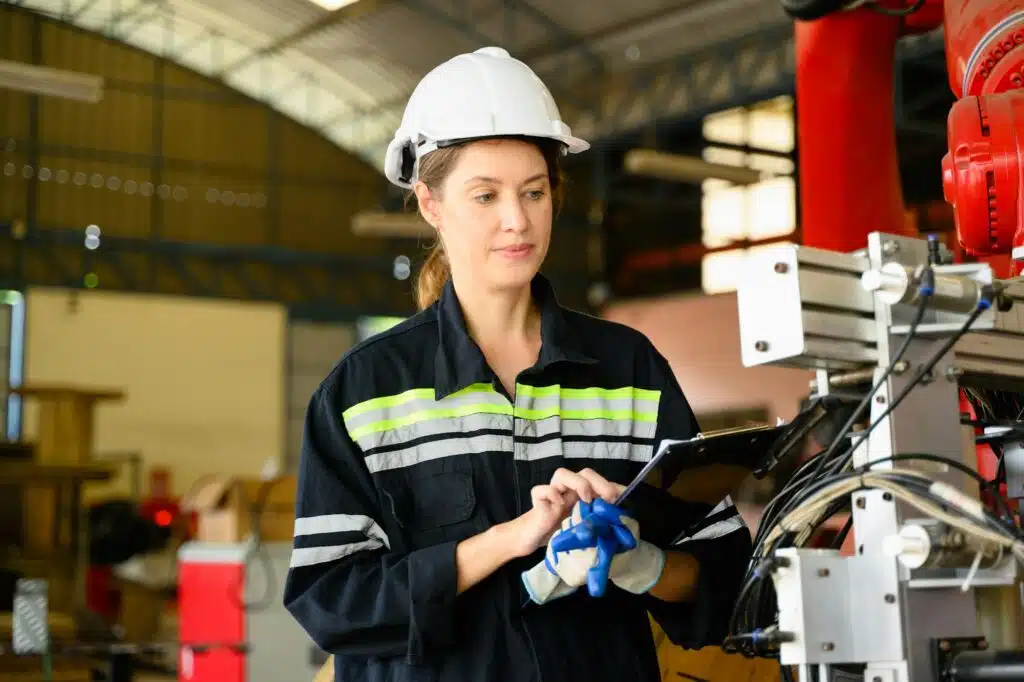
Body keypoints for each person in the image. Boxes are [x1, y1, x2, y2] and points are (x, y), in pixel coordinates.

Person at [283, 46, 753, 682]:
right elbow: (332, 602)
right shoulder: (366, 392)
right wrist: (511, 540)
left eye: (534, 191)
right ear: (430, 203)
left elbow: (725, 581)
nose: (517, 220)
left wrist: (636, 563)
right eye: (485, 196)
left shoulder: (628, 370)